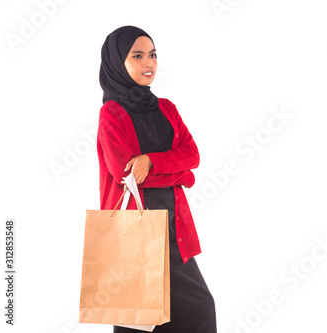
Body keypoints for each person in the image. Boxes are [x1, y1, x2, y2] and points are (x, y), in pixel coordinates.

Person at [97, 25, 216, 333]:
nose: (148, 63)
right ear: (117, 62)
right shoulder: (112, 113)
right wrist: (182, 175)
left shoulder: (167, 108)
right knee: (138, 321)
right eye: (137, 56)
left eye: (152, 55)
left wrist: (150, 162)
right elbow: (124, 174)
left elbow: (193, 155)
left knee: (199, 308)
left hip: (173, 227)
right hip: (132, 228)